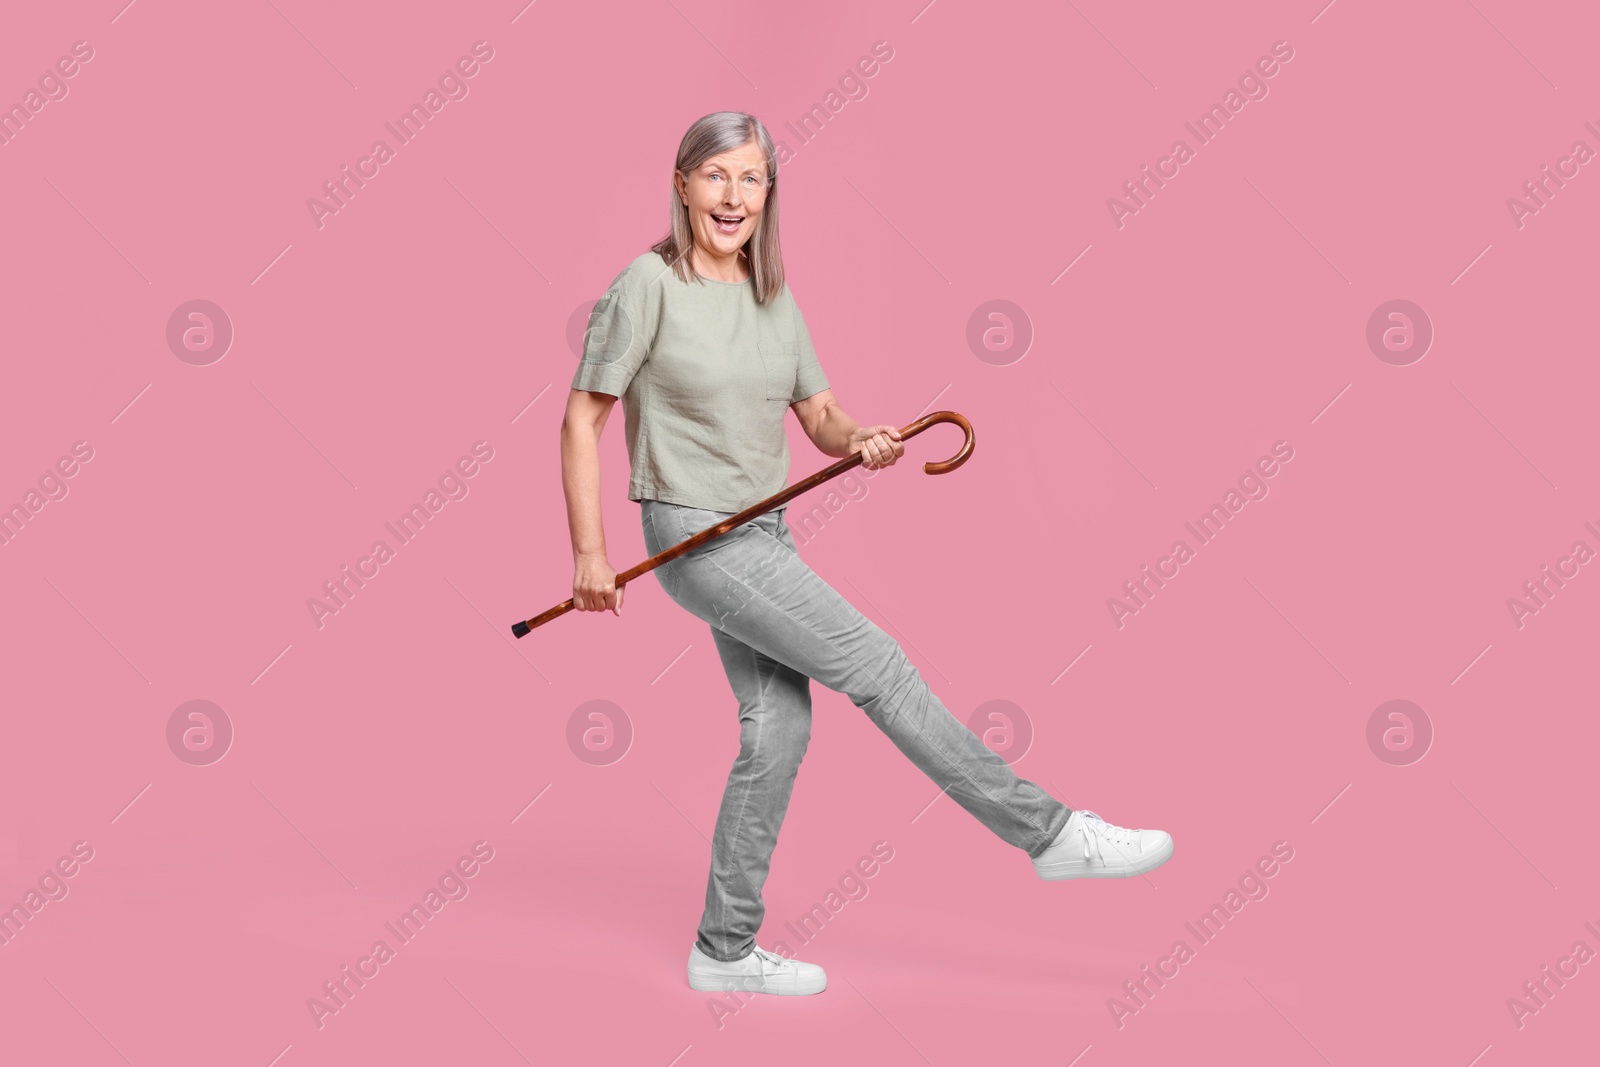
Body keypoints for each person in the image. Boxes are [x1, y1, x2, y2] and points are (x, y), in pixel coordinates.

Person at [560, 111, 1173, 997]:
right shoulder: (646, 285)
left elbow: (818, 415)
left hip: (764, 530)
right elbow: (584, 417)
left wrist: (861, 438)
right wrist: (590, 552)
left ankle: (723, 948)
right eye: (716, 177)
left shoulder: (775, 299)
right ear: (685, 183)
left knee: (778, 730)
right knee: (877, 665)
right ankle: (1049, 834)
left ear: (770, 194)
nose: (733, 197)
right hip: (699, 533)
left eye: (752, 179)